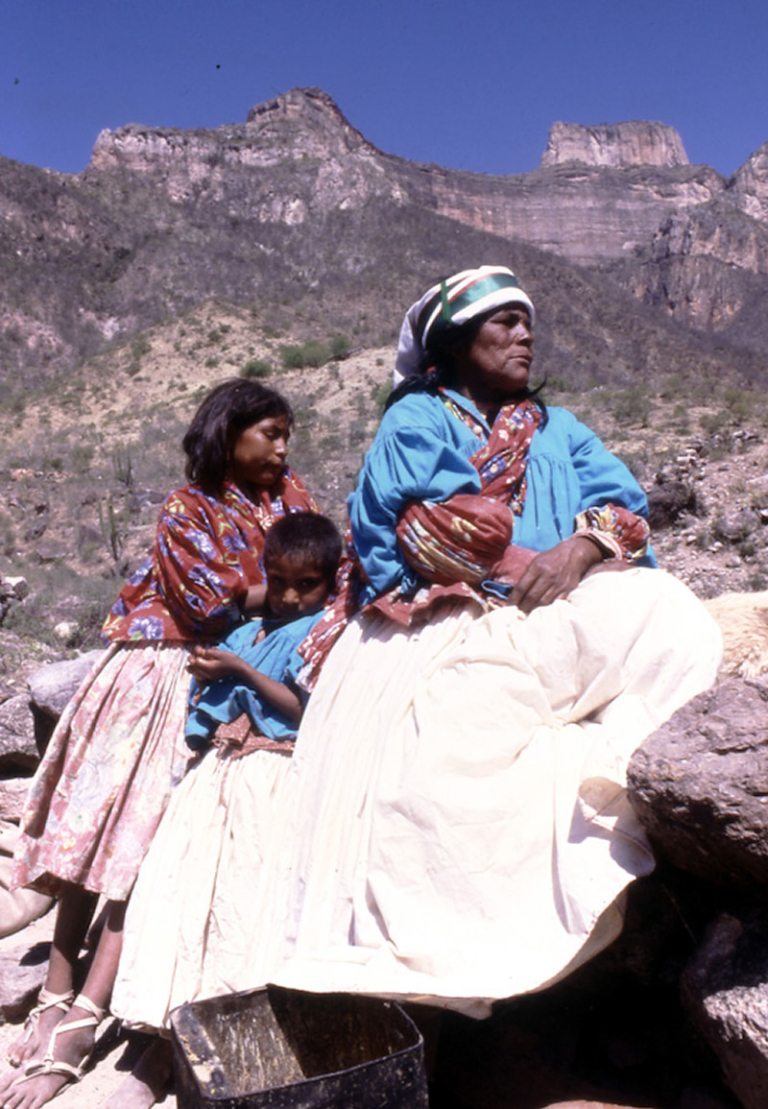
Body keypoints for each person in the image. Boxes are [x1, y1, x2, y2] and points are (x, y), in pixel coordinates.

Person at [228, 265, 722, 1018]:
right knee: (436, 766)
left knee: (671, 612)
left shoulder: (556, 428)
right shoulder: (416, 419)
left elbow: (622, 508)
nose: (525, 336)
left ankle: (603, 777)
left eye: (528, 322)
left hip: (544, 607)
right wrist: (528, 564)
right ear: (457, 341)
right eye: (505, 322)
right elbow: (429, 534)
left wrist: (582, 548)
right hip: (437, 616)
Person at [0, 379, 316, 1109]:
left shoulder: (289, 499)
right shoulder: (188, 507)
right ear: (228, 434)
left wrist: (290, 594)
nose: (282, 448)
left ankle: (83, 1014)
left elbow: (307, 572)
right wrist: (297, 588)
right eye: (269, 433)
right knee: (100, 832)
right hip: (160, 669)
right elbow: (207, 603)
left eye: (287, 435)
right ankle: (56, 995)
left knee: (144, 847)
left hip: (227, 672)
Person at [110, 512, 342, 1038]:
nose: (289, 597)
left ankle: (232, 1025)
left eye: (306, 585)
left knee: (245, 894)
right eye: (277, 582)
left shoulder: (321, 635)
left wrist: (240, 672)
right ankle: (172, 1021)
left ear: (331, 582)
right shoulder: (245, 633)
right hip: (217, 771)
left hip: (271, 773)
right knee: (188, 887)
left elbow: (302, 708)